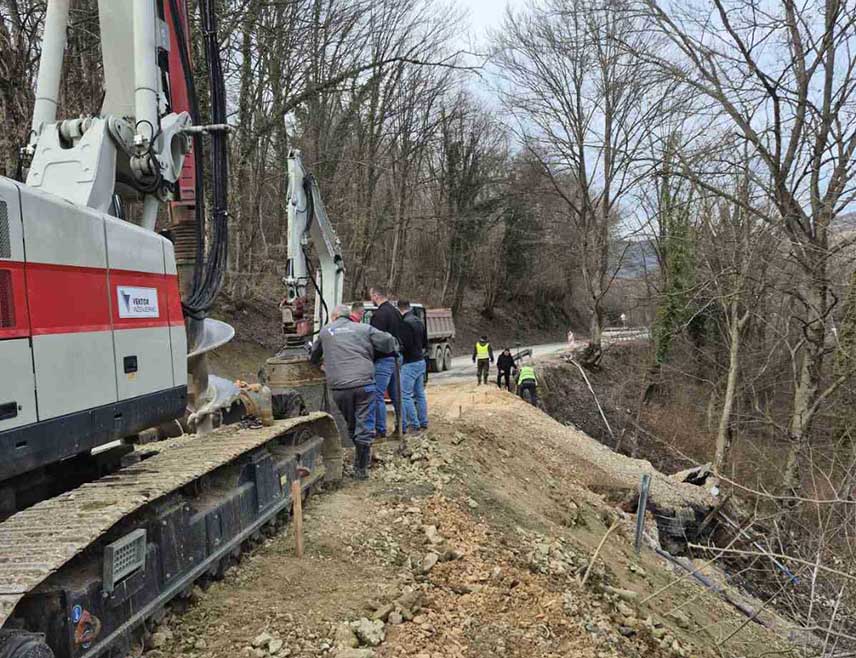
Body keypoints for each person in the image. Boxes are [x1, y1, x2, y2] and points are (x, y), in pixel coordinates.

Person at [310, 304, 395, 479]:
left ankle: (358, 454)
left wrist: (321, 363)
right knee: (364, 424)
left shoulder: (325, 332)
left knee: (352, 423)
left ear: (334, 317)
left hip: (340, 388)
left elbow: (313, 356)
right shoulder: (364, 328)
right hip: (364, 384)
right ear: (350, 316)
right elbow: (387, 341)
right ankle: (361, 468)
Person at [369, 285, 403, 437]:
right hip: (396, 358)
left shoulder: (379, 315)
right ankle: (402, 426)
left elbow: (375, 339)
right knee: (396, 395)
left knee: (377, 395)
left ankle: (380, 430)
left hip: (383, 359)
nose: (371, 300)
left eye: (371, 296)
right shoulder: (396, 312)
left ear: (376, 296)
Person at [399, 301, 429, 434]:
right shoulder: (418, 321)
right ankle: (423, 421)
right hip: (420, 360)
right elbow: (424, 342)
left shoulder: (405, 323)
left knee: (405, 395)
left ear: (399, 309)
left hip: (409, 362)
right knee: (420, 394)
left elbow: (405, 345)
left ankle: (413, 424)